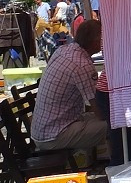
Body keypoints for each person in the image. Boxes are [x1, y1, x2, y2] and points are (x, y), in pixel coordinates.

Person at [31, 19, 106, 157]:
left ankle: (104, 158)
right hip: (54, 135)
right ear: (96, 40)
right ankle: (118, 163)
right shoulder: (82, 64)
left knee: (102, 119)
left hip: (44, 129)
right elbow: (99, 110)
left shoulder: (63, 50)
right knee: (116, 124)